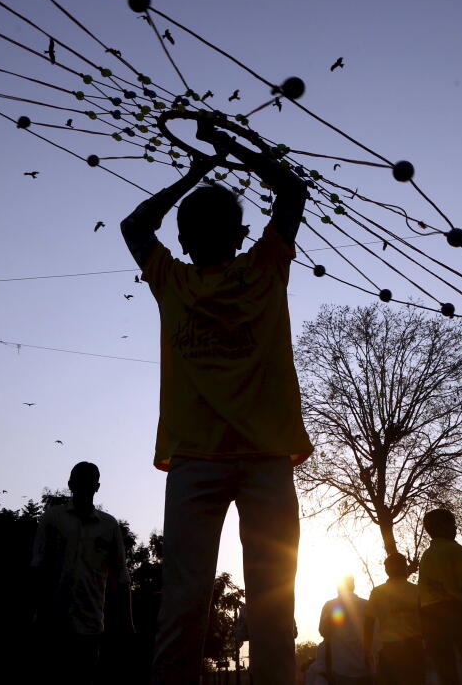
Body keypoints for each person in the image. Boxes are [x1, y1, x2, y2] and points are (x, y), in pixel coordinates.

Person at [122, 116, 312, 685]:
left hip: (226, 461)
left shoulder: (187, 277)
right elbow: (293, 190)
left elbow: (136, 223)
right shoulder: (256, 267)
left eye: (212, 223)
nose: (199, 234)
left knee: (196, 604)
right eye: (195, 226)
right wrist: (223, 156)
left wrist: (200, 168)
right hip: (239, 460)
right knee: (255, 609)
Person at [30, 461, 131, 685]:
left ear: (97, 486)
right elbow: (37, 568)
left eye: (89, 481)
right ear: (71, 485)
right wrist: (35, 614)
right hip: (52, 623)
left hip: (90, 625)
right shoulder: (52, 519)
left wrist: (128, 626)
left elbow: (121, 578)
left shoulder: (109, 525)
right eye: (80, 481)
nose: (85, 486)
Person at [417, 508, 462, 685]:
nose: (455, 529)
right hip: (456, 611)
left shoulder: (426, 555)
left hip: (431, 617)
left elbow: (421, 592)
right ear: (442, 527)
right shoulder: (453, 549)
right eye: (453, 525)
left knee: (445, 669)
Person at [363, 555, 422, 685]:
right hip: (415, 649)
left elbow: (368, 623)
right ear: (405, 568)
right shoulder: (417, 590)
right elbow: (427, 619)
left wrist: (367, 651)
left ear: (387, 571)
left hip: (390, 650)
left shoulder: (377, 592)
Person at [319, 575, 372, 685]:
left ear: (338, 587)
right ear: (353, 586)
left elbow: (323, 631)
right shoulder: (366, 605)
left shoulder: (331, 605)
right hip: (365, 667)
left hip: (340, 667)